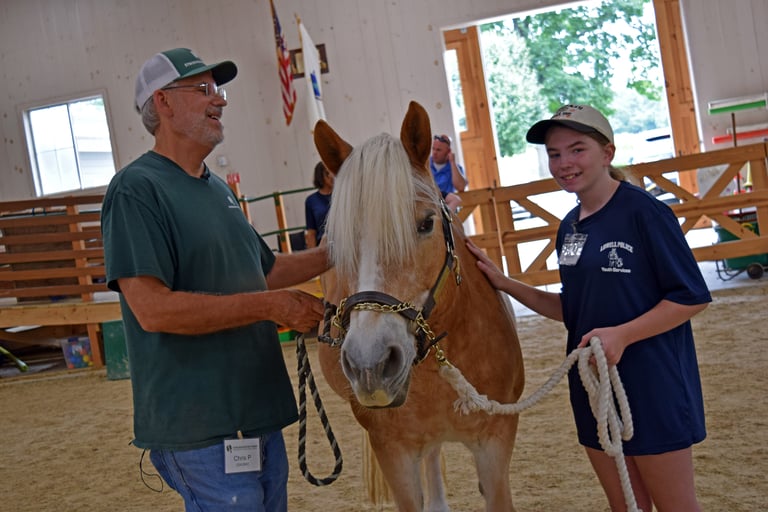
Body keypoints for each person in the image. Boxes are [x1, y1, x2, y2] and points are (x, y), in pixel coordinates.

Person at [101, 47, 329, 512]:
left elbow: (265, 272)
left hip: (256, 413)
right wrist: (271, 307)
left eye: (218, 90)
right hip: (200, 423)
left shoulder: (218, 188)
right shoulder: (136, 190)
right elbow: (153, 308)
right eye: (204, 90)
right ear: (162, 103)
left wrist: (340, 251)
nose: (220, 100)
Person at [467, 104, 710, 512]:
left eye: (577, 150)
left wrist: (623, 335)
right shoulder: (570, 226)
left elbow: (690, 296)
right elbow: (573, 309)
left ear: (607, 153)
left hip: (652, 382)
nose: (564, 164)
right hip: (592, 385)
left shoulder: (645, 213)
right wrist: (505, 284)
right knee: (626, 507)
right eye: (555, 154)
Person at [430, 133, 467, 211]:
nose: (434, 152)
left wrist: (452, 162)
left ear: (448, 151)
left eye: (438, 150)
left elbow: (461, 187)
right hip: (430, 206)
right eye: (433, 149)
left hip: (448, 208)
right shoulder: (425, 165)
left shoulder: (455, 168)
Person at [304, 161, 333, 248]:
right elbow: (311, 232)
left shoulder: (342, 196)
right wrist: (312, 256)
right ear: (320, 176)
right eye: (327, 173)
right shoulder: (311, 201)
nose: (332, 176)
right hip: (324, 245)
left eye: (333, 172)